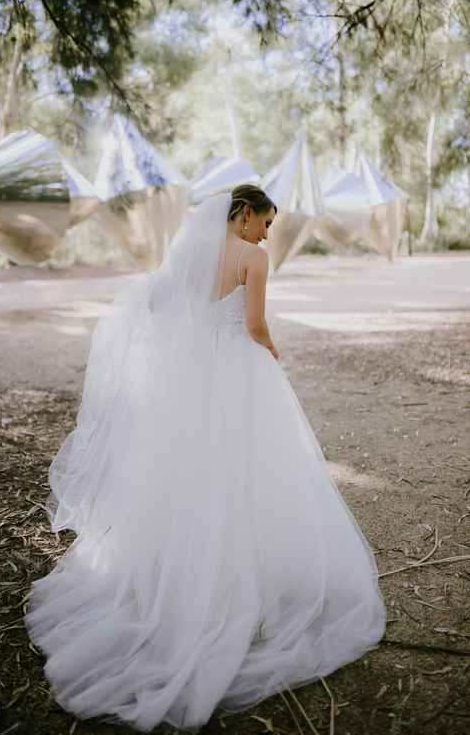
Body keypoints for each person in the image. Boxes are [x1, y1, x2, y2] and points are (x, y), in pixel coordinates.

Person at [24, 185, 386, 733]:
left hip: (194, 379)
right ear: (244, 216)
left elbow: (161, 305)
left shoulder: (191, 255)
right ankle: (242, 590)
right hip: (239, 371)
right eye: (265, 221)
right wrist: (272, 352)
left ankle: (177, 578)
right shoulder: (253, 258)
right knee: (252, 473)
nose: (267, 233)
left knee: (193, 476)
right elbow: (255, 324)